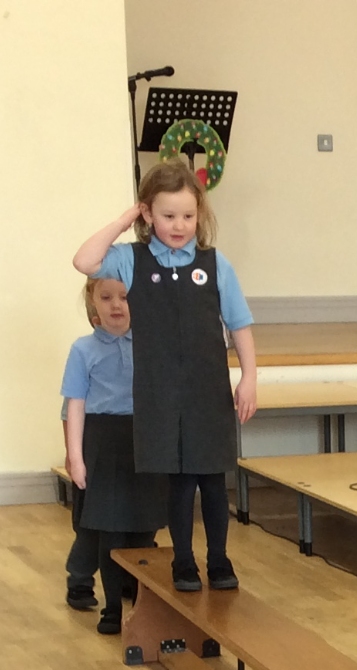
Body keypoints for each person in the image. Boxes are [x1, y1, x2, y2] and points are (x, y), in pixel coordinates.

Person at [72, 162, 256, 592]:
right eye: (168, 215)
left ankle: (219, 559)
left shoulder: (214, 264)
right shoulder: (131, 260)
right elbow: (85, 260)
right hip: (160, 395)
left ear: (199, 214)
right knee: (178, 483)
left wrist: (248, 377)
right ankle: (183, 561)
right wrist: (124, 220)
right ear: (148, 214)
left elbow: (240, 325)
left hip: (207, 392)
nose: (179, 225)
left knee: (213, 481)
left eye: (188, 216)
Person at [61, 275, 162, 630]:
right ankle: (86, 583)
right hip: (102, 442)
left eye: (125, 297)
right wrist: (74, 456)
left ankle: (136, 582)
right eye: (107, 298)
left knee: (142, 520)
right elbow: (72, 407)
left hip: (142, 439)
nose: (117, 305)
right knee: (101, 525)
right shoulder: (83, 350)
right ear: (94, 304)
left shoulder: (150, 345)